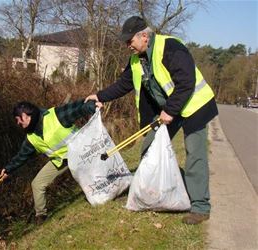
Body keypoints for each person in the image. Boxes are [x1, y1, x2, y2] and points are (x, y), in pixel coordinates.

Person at [86, 16, 218, 225]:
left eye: (130, 41)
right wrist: (100, 96)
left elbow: (186, 82)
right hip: (169, 109)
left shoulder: (170, 47)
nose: (127, 45)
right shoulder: (136, 60)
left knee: (195, 156)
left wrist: (170, 111)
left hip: (194, 107)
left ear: (144, 36)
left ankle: (200, 207)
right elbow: (123, 84)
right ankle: (155, 191)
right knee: (149, 148)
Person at [1, 99, 101, 225]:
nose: (18, 124)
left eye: (18, 120)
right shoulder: (31, 137)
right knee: (37, 184)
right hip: (61, 160)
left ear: (25, 116)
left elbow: (78, 108)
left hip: (82, 151)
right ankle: (41, 216)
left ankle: (103, 187)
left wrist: (90, 106)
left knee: (92, 176)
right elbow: (21, 156)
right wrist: (8, 169)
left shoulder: (55, 116)